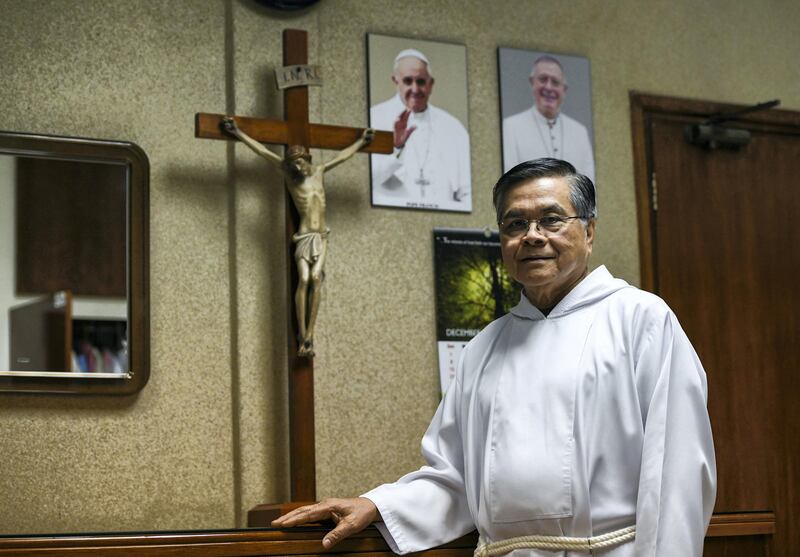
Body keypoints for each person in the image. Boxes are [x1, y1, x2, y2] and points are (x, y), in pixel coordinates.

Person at [273, 158, 716, 556]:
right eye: (514, 224)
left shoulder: (640, 320)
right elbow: (456, 479)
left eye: (552, 219)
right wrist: (377, 504)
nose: (532, 237)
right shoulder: (485, 347)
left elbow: (675, 475)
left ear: (590, 231)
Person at [222, 117, 374, 357]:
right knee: (303, 280)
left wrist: (361, 143)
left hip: (322, 236)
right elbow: (261, 150)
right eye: (293, 164)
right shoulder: (290, 178)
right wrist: (238, 132)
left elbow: (341, 157)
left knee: (316, 277)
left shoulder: (319, 172)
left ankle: (310, 336)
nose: (298, 167)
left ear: (307, 160)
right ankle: (302, 335)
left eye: (301, 162)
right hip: (303, 236)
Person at [370, 48, 471, 211]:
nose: (415, 89)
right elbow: (367, 181)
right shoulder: (374, 118)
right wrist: (395, 148)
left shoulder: (453, 127)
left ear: (431, 84)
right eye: (408, 81)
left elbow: (468, 191)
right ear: (396, 81)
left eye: (421, 81)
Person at [503, 56, 596, 183]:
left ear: (564, 90)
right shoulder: (511, 126)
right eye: (542, 79)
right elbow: (510, 183)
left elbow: (589, 186)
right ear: (532, 82)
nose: (548, 87)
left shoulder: (579, 131)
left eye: (555, 82)